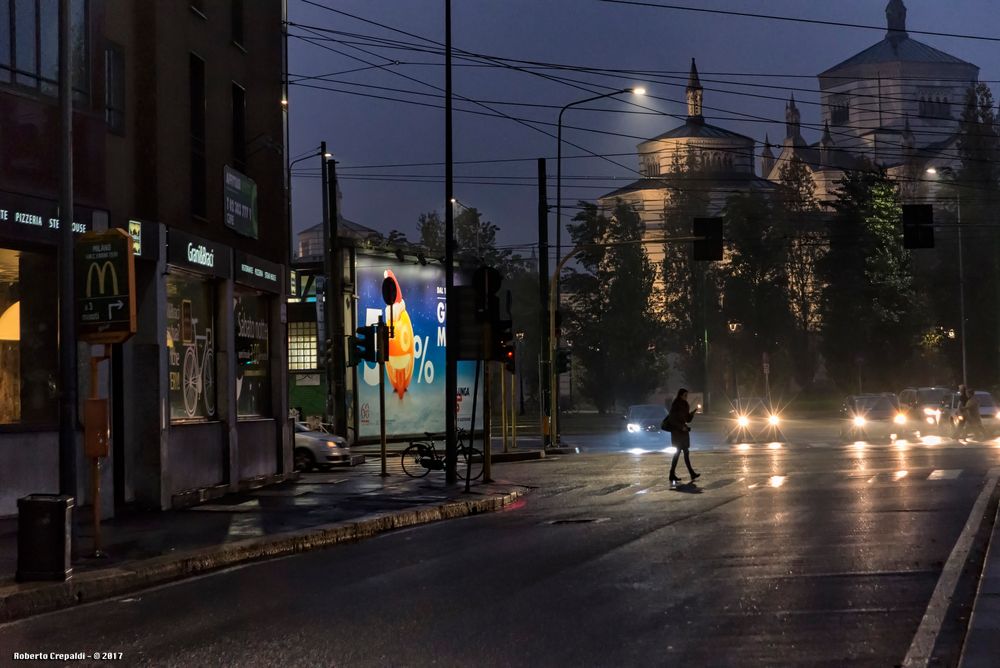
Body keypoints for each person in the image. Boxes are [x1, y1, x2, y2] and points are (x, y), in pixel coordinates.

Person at [666, 388, 700, 484]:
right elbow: (672, 420)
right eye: (685, 395)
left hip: (683, 433)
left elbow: (687, 419)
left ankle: (676, 474)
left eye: (687, 395)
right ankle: (675, 473)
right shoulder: (675, 405)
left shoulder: (685, 405)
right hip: (677, 432)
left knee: (684, 452)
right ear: (680, 395)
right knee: (678, 453)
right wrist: (681, 427)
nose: (686, 397)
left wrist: (692, 413)